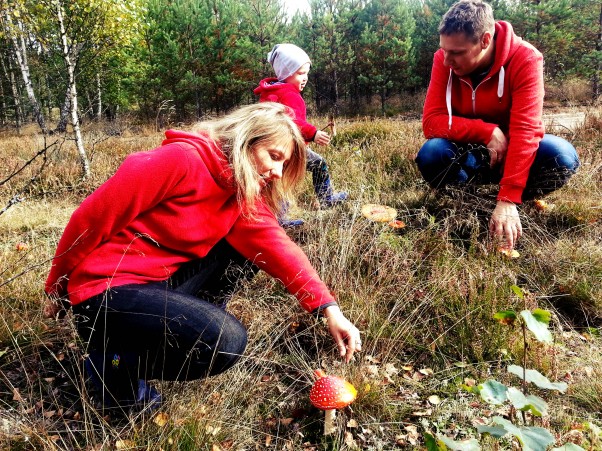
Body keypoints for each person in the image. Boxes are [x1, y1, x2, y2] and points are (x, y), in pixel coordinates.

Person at [44, 103, 361, 413]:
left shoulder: (239, 193)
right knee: (224, 341)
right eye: (274, 157)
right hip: (105, 290)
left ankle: (149, 341)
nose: (277, 172)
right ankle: (110, 366)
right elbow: (90, 220)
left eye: (284, 164)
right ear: (244, 140)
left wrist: (329, 309)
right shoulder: (180, 160)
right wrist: (56, 289)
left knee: (248, 250)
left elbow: (279, 249)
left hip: (156, 285)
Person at [415, 0, 580, 250]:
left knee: (562, 156)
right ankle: (471, 203)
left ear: (485, 40)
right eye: (444, 50)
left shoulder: (525, 58)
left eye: (457, 53)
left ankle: (509, 204)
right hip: (468, 154)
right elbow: (432, 122)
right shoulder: (443, 59)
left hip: (512, 153)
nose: (446, 60)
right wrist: (486, 131)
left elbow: (526, 130)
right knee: (432, 153)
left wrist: (508, 197)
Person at [254, 43, 348, 227]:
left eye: (306, 73)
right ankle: (322, 200)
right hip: (287, 148)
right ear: (285, 72)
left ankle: (280, 217)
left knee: (279, 182)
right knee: (289, 179)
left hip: (280, 147)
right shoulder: (287, 94)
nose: (305, 78)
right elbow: (291, 122)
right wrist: (313, 133)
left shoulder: (272, 91)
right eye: (300, 73)